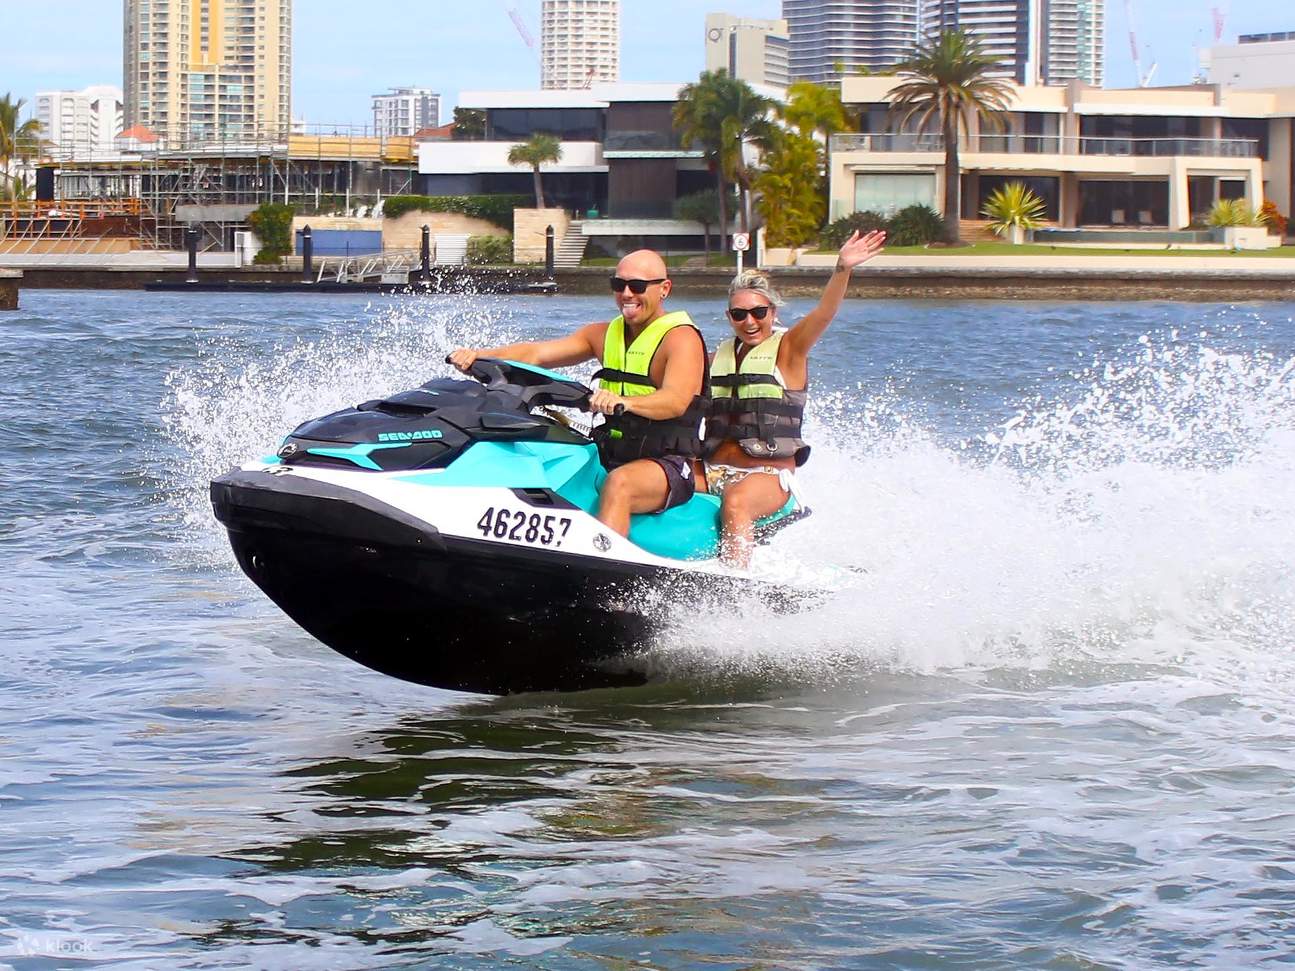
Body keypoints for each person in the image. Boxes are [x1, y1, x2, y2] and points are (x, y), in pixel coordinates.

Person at [448, 249, 708, 537]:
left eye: (637, 286)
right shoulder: (601, 334)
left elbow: (676, 401)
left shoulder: (682, 338)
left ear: (664, 289)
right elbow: (537, 353)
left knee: (620, 484)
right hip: (612, 451)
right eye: (618, 285)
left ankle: (604, 574)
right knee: (545, 453)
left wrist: (623, 401)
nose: (626, 294)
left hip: (669, 463)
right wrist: (479, 356)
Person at [701, 229, 887, 567]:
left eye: (758, 312)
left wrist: (842, 268)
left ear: (773, 312)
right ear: (730, 318)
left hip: (768, 477)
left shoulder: (790, 350)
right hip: (712, 468)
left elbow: (824, 313)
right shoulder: (717, 359)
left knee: (737, 502)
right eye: (740, 314)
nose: (750, 321)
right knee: (659, 477)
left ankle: (734, 590)